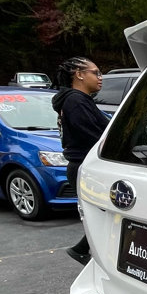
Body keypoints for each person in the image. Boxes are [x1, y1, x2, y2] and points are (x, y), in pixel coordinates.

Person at [52, 57, 107, 264]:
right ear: (79, 74)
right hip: (86, 167)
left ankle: (82, 249)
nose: (100, 77)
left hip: (85, 166)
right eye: (96, 72)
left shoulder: (78, 100)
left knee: (104, 215)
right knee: (105, 215)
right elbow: (93, 136)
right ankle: (85, 251)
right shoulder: (75, 101)